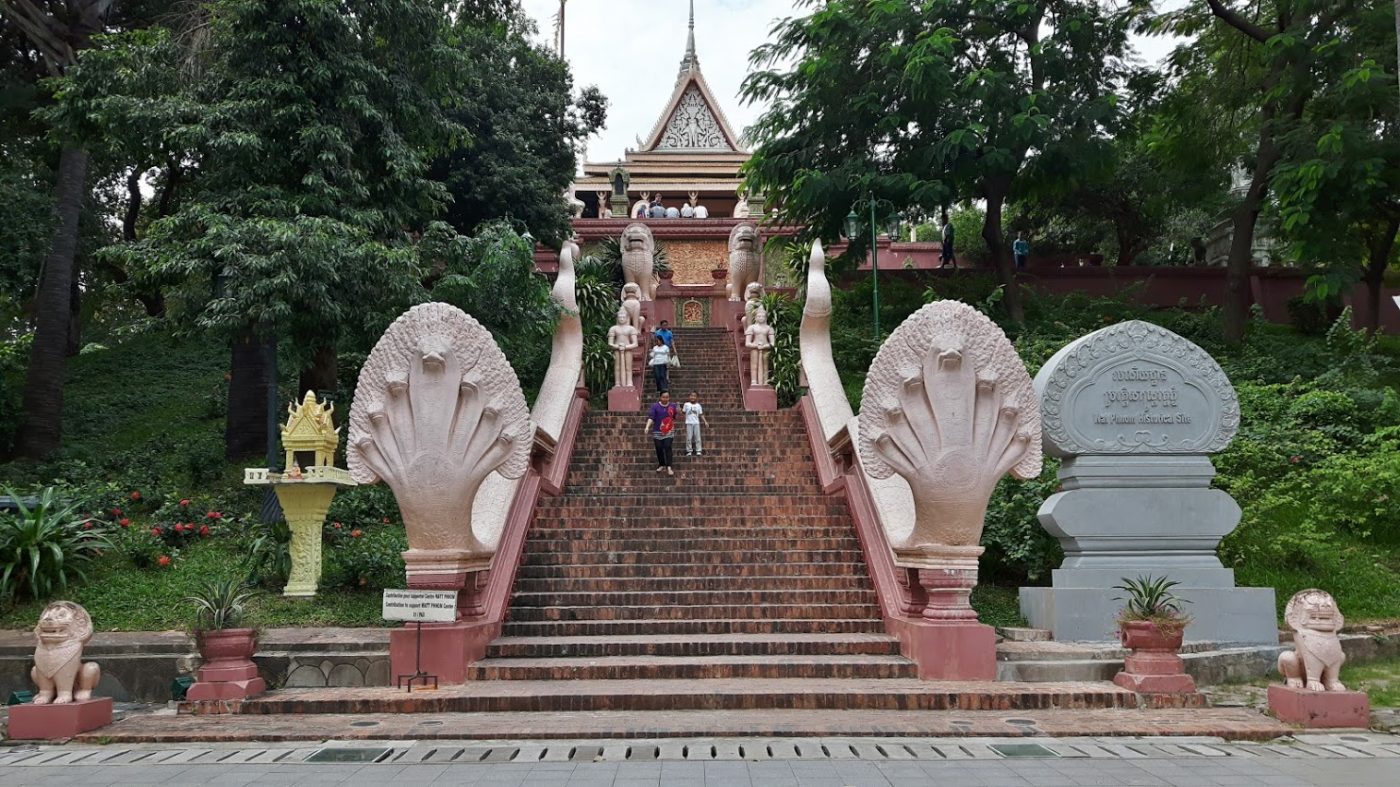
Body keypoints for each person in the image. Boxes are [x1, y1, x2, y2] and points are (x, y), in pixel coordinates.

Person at [645, 391, 679, 476]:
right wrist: (647, 427)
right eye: (663, 397)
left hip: (669, 431)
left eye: (667, 397)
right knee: (659, 448)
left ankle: (669, 466)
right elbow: (651, 418)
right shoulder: (655, 406)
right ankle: (661, 464)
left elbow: (676, 416)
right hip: (657, 431)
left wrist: (679, 411)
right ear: (660, 397)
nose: (665, 399)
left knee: (667, 446)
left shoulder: (672, 406)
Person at [683, 391, 709, 457]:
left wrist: (705, 421)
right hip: (689, 423)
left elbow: (701, 414)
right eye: (691, 395)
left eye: (694, 396)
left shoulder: (698, 405)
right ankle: (689, 451)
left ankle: (698, 450)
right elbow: (683, 413)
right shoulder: (686, 404)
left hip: (696, 423)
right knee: (689, 437)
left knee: (697, 437)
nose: (693, 397)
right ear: (689, 397)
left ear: (697, 397)